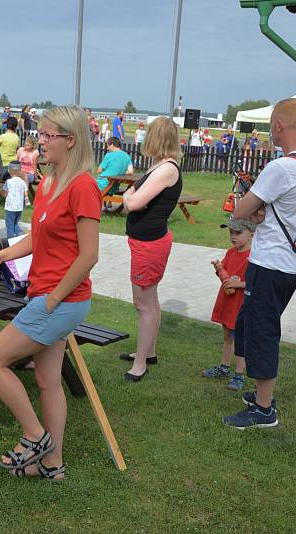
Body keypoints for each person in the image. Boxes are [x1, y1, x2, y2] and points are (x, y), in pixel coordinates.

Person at [0, 106, 100, 481]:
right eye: (38, 135)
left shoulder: (83, 186)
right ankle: (52, 464)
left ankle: (34, 436)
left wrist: (54, 299)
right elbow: (36, 238)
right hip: (47, 295)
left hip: (61, 300)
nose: (38, 142)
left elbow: (89, 255)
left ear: (70, 141)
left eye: (47, 136)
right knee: (47, 381)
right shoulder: (47, 183)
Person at [224, 98, 296, 429]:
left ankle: (264, 410)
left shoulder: (281, 167)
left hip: (271, 263)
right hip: (292, 262)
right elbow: (284, 210)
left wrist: (250, 209)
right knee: (251, 324)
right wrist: (260, 212)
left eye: (271, 125)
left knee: (262, 331)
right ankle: (261, 395)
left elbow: (239, 210)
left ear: (279, 125)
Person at [120, 116, 183, 381]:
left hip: (150, 245)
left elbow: (133, 203)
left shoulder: (167, 169)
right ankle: (148, 352)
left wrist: (129, 198)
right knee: (150, 301)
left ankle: (141, 363)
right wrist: (129, 197)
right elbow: (132, 195)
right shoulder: (160, 166)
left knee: (143, 304)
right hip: (146, 243)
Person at [203, 217, 255, 391]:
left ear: (252, 234)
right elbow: (225, 276)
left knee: (240, 339)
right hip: (227, 301)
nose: (233, 236)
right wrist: (219, 268)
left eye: (238, 232)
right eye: (231, 232)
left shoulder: (255, 257)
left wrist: (237, 284)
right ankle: (224, 367)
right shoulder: (231, 252)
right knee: (227, 336)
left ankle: (239, 374)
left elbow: (256, 283)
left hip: (240, 305)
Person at [0, 117, 21, 205]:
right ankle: (11, 200)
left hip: (3, 164)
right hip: (14, 165)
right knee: (11, 185)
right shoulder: (17, 137)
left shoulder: (2, 137)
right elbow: (17, 148)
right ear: (16, 126)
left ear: (7, 125)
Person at [2, 161, 29, 238]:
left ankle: (10, 240)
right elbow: (25, 193)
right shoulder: (22, 182)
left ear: (9, 171)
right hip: (19, 208)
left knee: (9, 224)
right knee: (15, 223)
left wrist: (0, 190)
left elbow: (5, 194)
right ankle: (20, 234)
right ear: (20, 171)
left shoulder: (8, 182)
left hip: (10, 208)